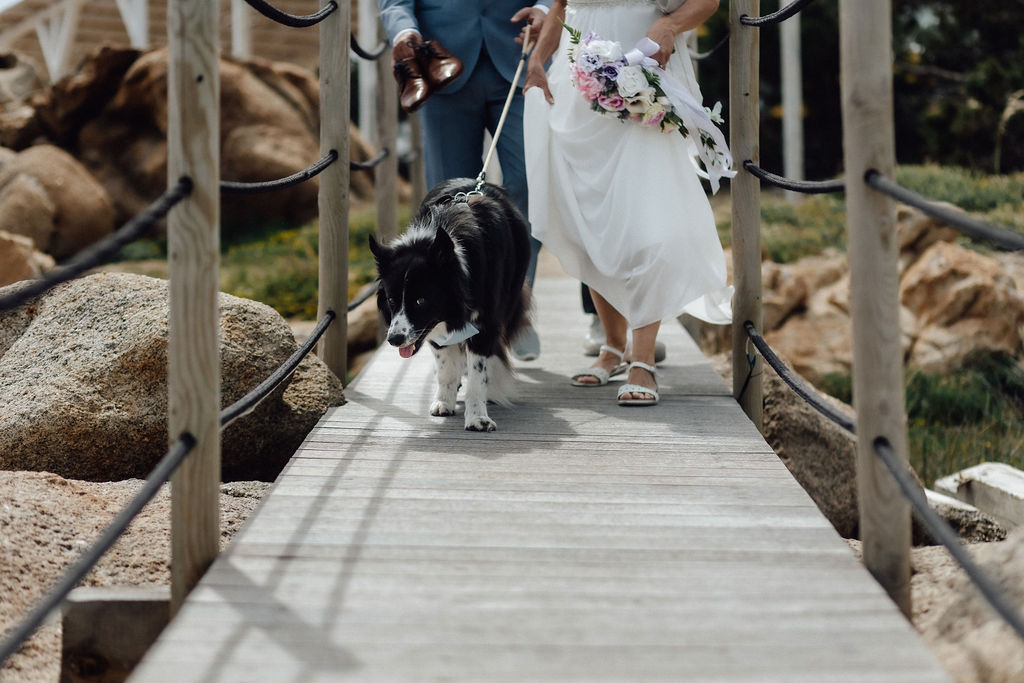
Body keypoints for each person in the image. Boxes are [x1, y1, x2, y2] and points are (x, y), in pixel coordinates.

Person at [522, 0, 732, 406]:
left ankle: (643, 359)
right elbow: (561, 4)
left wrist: (670, 25)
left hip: (641, 70)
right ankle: (613, 344)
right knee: (590, 220)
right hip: (575, 85)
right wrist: (537, 60)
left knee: (646, 221)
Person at [377, 0, 552, 361]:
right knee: (448, 207)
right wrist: (404, 31)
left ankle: (510, 309)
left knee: (529, 186)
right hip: (440, 65)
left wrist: (545, 8)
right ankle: (454, 327)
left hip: (520, 60)